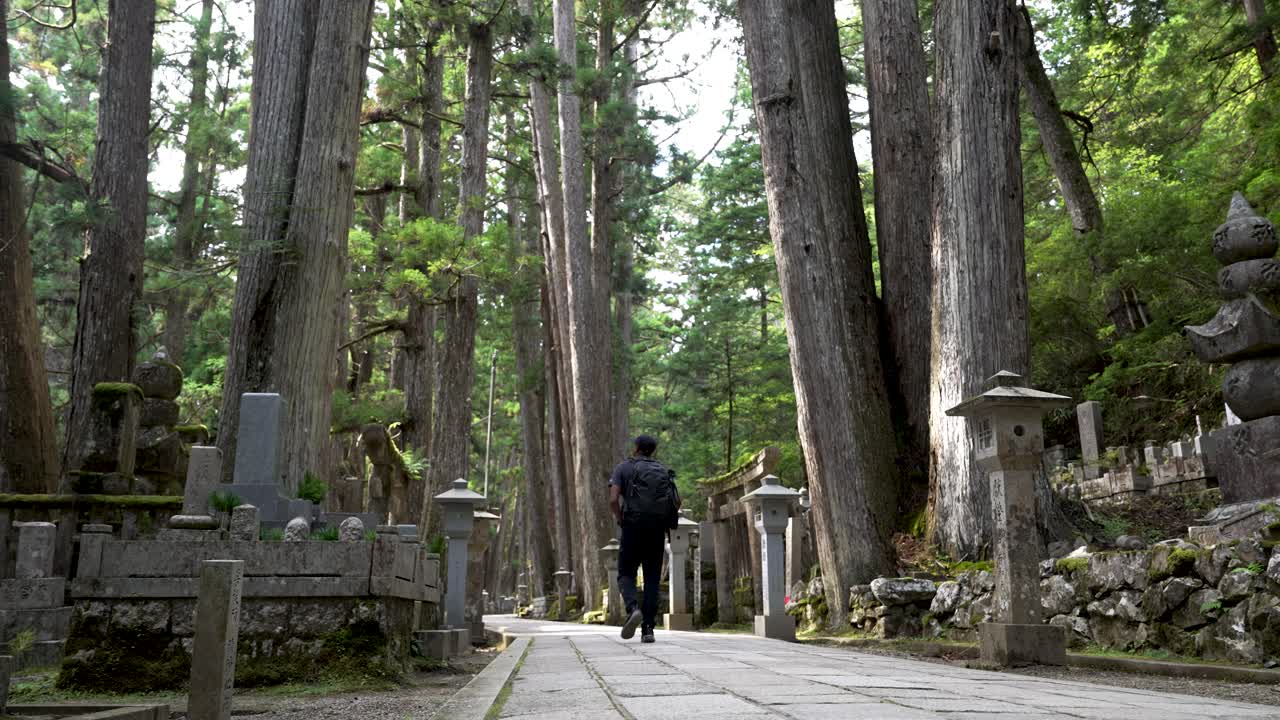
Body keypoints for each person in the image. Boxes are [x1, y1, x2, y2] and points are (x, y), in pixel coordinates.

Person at [609, 434, 680, 643]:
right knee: (651, 579)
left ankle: (632, 608)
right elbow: (677, 501)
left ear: (636, 448)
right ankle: (648, 629)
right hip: (657, 530)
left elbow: (613, 498)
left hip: (632, 526)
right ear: (653, 450)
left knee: (626, 573)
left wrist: (621, 518)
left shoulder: (624, 468)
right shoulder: (662, 470)